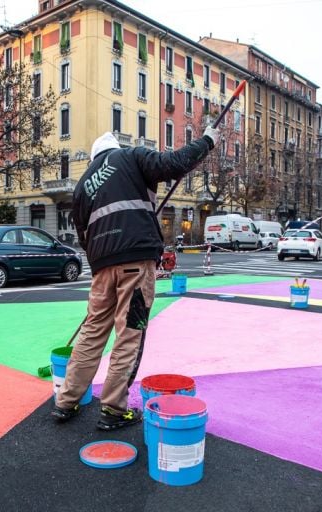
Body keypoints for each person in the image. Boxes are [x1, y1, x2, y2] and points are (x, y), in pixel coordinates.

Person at [52, 127, 219, 430]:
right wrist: (207, 141)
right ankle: (114, 409)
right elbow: (173, 163)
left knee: (92, 333)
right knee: (129, 332)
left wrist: (101, 263)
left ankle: (66, 401)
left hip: (102, 264)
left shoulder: (83, 185)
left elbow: (82, 234)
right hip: (135, 257)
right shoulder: (131, 156)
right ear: (113, 148)